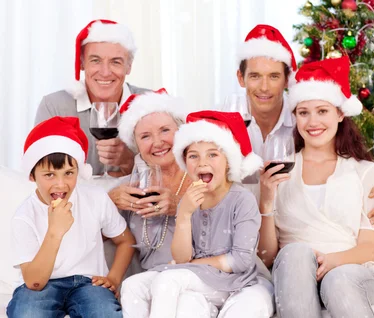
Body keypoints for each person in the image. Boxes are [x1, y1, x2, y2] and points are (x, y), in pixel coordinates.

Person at [112, 92, 272, 317]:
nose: (157, 142)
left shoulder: (234, 196)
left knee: (170, 282)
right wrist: (184, 213)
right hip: (184, 274)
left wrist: (191, 260)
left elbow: (240, 258)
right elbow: (182, 256)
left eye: (165, 130)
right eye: (145, 136)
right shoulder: (188, 194)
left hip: (214, 277)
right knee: (133, 286)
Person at [259, 56, 374, 318]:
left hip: (352, 271)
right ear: (295, 117)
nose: (313, 122)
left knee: (337, 279)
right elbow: (267, 255)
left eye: (322, 111)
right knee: (294, 252)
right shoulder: (281, 170)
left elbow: (369, 248)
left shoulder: (364, 171)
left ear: (340, 114)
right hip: (293, 273)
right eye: (304, 113)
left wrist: (329, 262)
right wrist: (267, 201)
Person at [235, 24, 374, 228]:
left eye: (274, 76)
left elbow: (358, 163)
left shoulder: (306, 119)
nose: (264, 87)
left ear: (287, 79)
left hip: (281, 235)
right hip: (237, 233)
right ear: (241, 78)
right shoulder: (224, 124)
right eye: (255, 76)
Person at [7, 116, 136, 317]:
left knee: (104, 313)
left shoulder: (96, 198)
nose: (61, 184)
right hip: (42, 286)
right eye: (49, 175)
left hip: (88, 283)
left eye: (69, 173)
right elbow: (35, 282)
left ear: (79, 171)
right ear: (32, 176)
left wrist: (114, 278)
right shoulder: (25, 216)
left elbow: (125, 240)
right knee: (27, 312)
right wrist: (54, 232)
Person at [35, 19, 150, 177]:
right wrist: (104, 194)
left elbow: (171, 175)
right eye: (95, 61)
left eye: (115, 62)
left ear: (128, 66)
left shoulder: (150, 104)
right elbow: (44, 173)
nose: (105, 72)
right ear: (82, 63)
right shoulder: (54, 106)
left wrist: (129, 161)